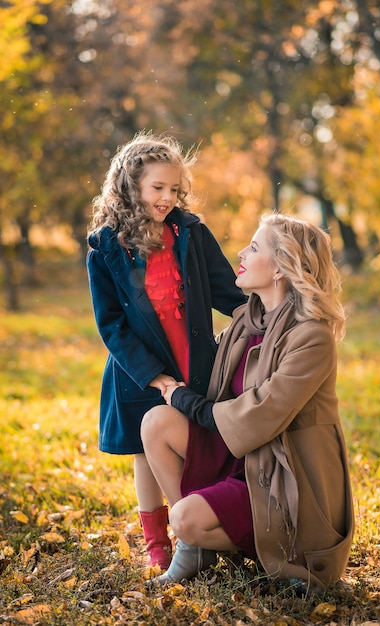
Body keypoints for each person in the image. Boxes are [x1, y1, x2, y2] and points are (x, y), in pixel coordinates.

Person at [141, 212, 354, 593]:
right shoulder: (247, 323)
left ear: (280, 269)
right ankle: (197, 548)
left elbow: (260, 416)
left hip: (283, 474)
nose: (240, 251)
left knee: (184, 517)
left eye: (253, 247)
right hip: (240, 455)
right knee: (156, 422)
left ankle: (271, 554)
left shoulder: (312, 337)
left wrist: (186, 401)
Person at [86, 131, 247, 571]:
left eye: (174, 189)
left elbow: (226, 289)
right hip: (138, 368)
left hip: (192, 360)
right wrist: (153, 375)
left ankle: (198, 525)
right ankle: (161, 542)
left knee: (194, 442)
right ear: (130, 185)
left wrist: (265, 316)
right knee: (146, 452)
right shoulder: (105, 247)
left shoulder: (190, 232)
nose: (167, 197)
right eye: (157, 187)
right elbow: (111, 325)